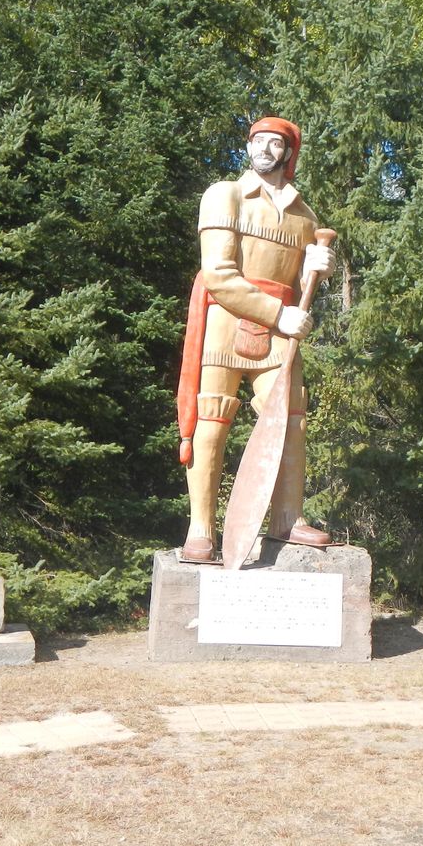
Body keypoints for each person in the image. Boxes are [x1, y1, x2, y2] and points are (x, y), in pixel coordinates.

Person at [175, 117, 336, 563]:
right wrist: (279, 314)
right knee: (212, 417)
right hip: (226, 320)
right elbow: (218, 275)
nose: (263, 148)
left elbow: (298, 284)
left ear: (289, 153)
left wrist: (316, 270)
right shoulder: (223, 195)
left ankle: (287, 517)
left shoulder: (305, 216)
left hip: (281, 331)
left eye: (274, 143)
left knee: (290, 417)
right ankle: (201, 529)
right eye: (256, 140)